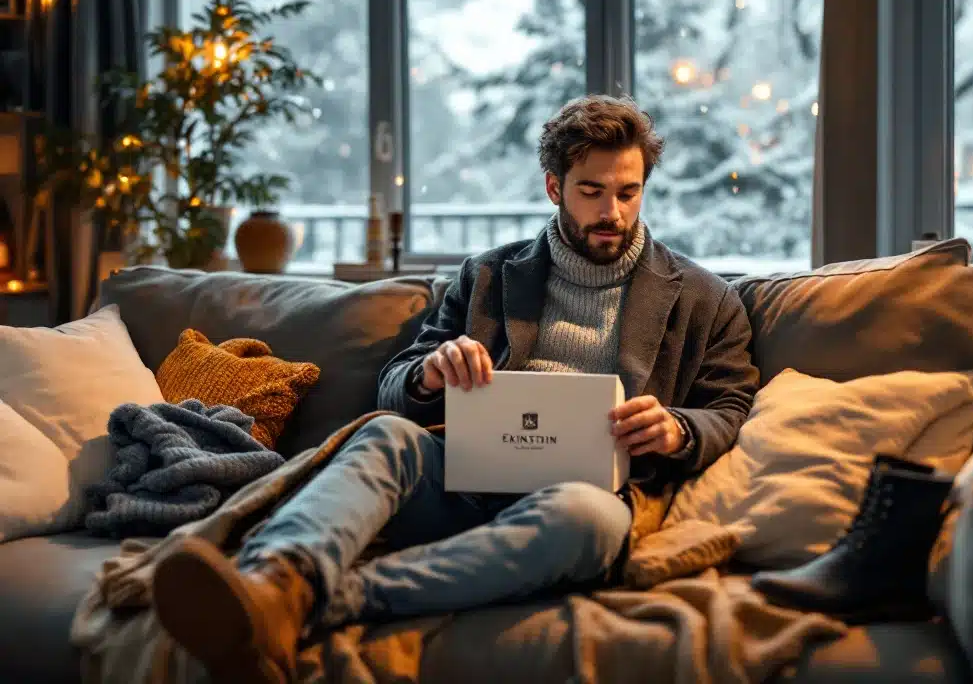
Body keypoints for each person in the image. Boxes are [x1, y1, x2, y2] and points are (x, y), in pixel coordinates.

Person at [150, 94, 761, 684]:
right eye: (592, 192)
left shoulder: (704, 297)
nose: (614, 214)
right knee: (384, 436)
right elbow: (395, 389)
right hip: (464, 479)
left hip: (585, 496)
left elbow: (730, 407)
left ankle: (302, 602)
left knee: (588, 520)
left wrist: (677, 428)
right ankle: (276, 576)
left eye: (628, 193)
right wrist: (430, 371)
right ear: (555, 189)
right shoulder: (490, 275)